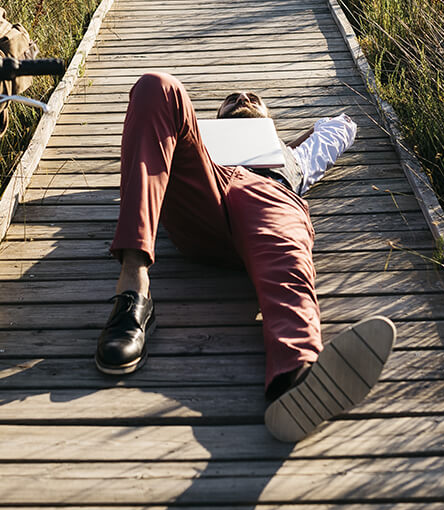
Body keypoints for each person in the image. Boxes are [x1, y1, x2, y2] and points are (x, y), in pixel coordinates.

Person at [95, 72, 396, 442]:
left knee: (284, 245)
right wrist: (189, 136)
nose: (241, 96)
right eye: (232, 99)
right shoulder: (194, 143)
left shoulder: (297, 156)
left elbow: (341, 126)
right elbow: (150, 145)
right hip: (202, 197)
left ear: (269, 120)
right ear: (217, 119)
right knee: (156, 85)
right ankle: (133, 292)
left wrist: (276, 138)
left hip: (269, 199)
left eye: (253, 97)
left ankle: (296, 376)